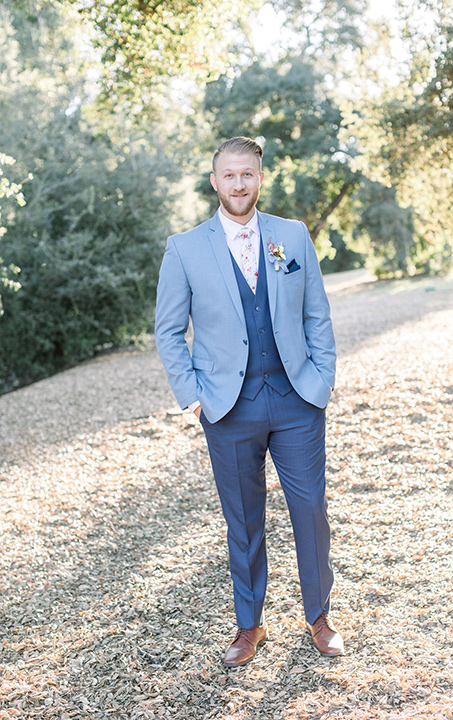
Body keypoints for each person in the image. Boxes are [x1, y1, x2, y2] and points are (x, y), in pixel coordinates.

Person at [155, 136, 343, 667]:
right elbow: (169, 331)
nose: (239, 184)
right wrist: (192, 395)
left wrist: (322, 380)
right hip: (227, 407)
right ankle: (249, 626)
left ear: (260, 178)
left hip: (296, 399)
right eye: (229, 175)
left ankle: (320, 618)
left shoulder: (292, 235)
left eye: (248, 175)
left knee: (310, 509)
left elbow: (316, 314)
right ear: (214, 181)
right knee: (243, 518)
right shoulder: (185, 248)